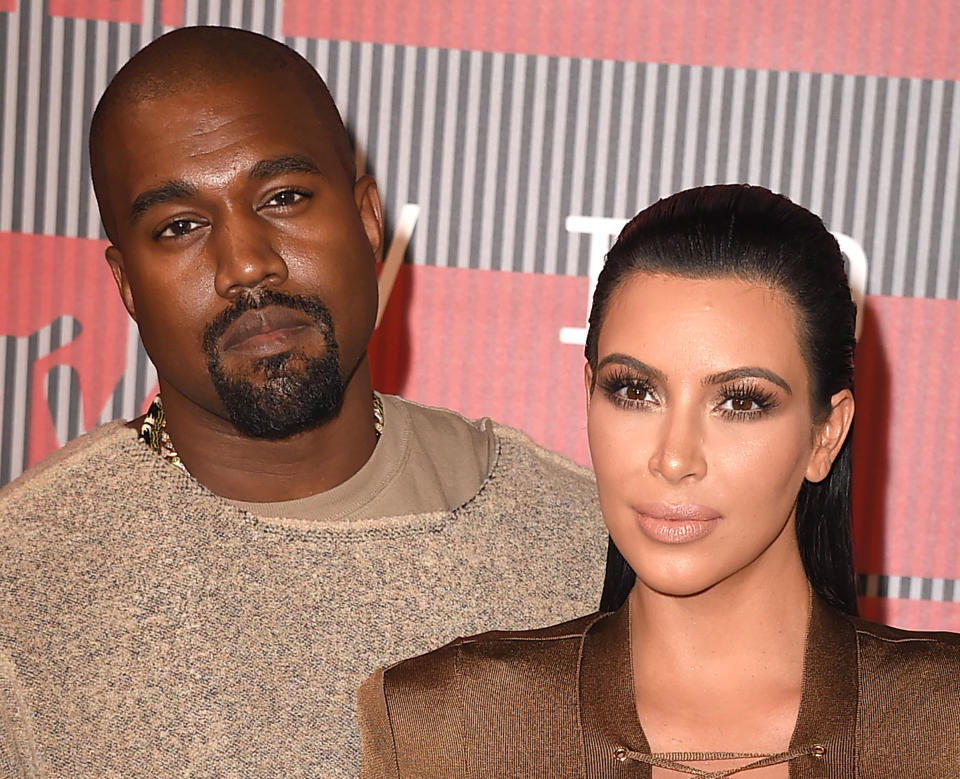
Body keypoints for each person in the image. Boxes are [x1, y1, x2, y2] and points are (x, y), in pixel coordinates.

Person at [0, 26, 607, 777]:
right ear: (126, 284)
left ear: (368, 221)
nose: (246, 263)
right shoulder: (23, 577)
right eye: (180, 226)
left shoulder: (585, 544)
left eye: (283, 197)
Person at [357, 185, 960, 778]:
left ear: (825, 436)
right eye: (634, 391)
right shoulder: (449, 723)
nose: (674, 459)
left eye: (741, 402)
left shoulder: (942, 722)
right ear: (588, 391)